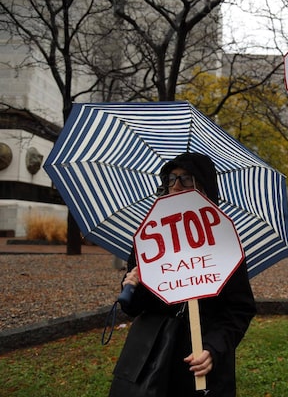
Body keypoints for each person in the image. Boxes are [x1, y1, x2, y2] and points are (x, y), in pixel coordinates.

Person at [109, 152, 256, 397]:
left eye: (187, 179)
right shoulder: (149, 237)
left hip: (198, 364)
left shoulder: (225, 240)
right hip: (151, 359)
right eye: (171, 178)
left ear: (205, 187)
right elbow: (135, 309)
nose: (176, 185)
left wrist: (213, 348)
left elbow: (240, 309)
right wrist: (132, 287)